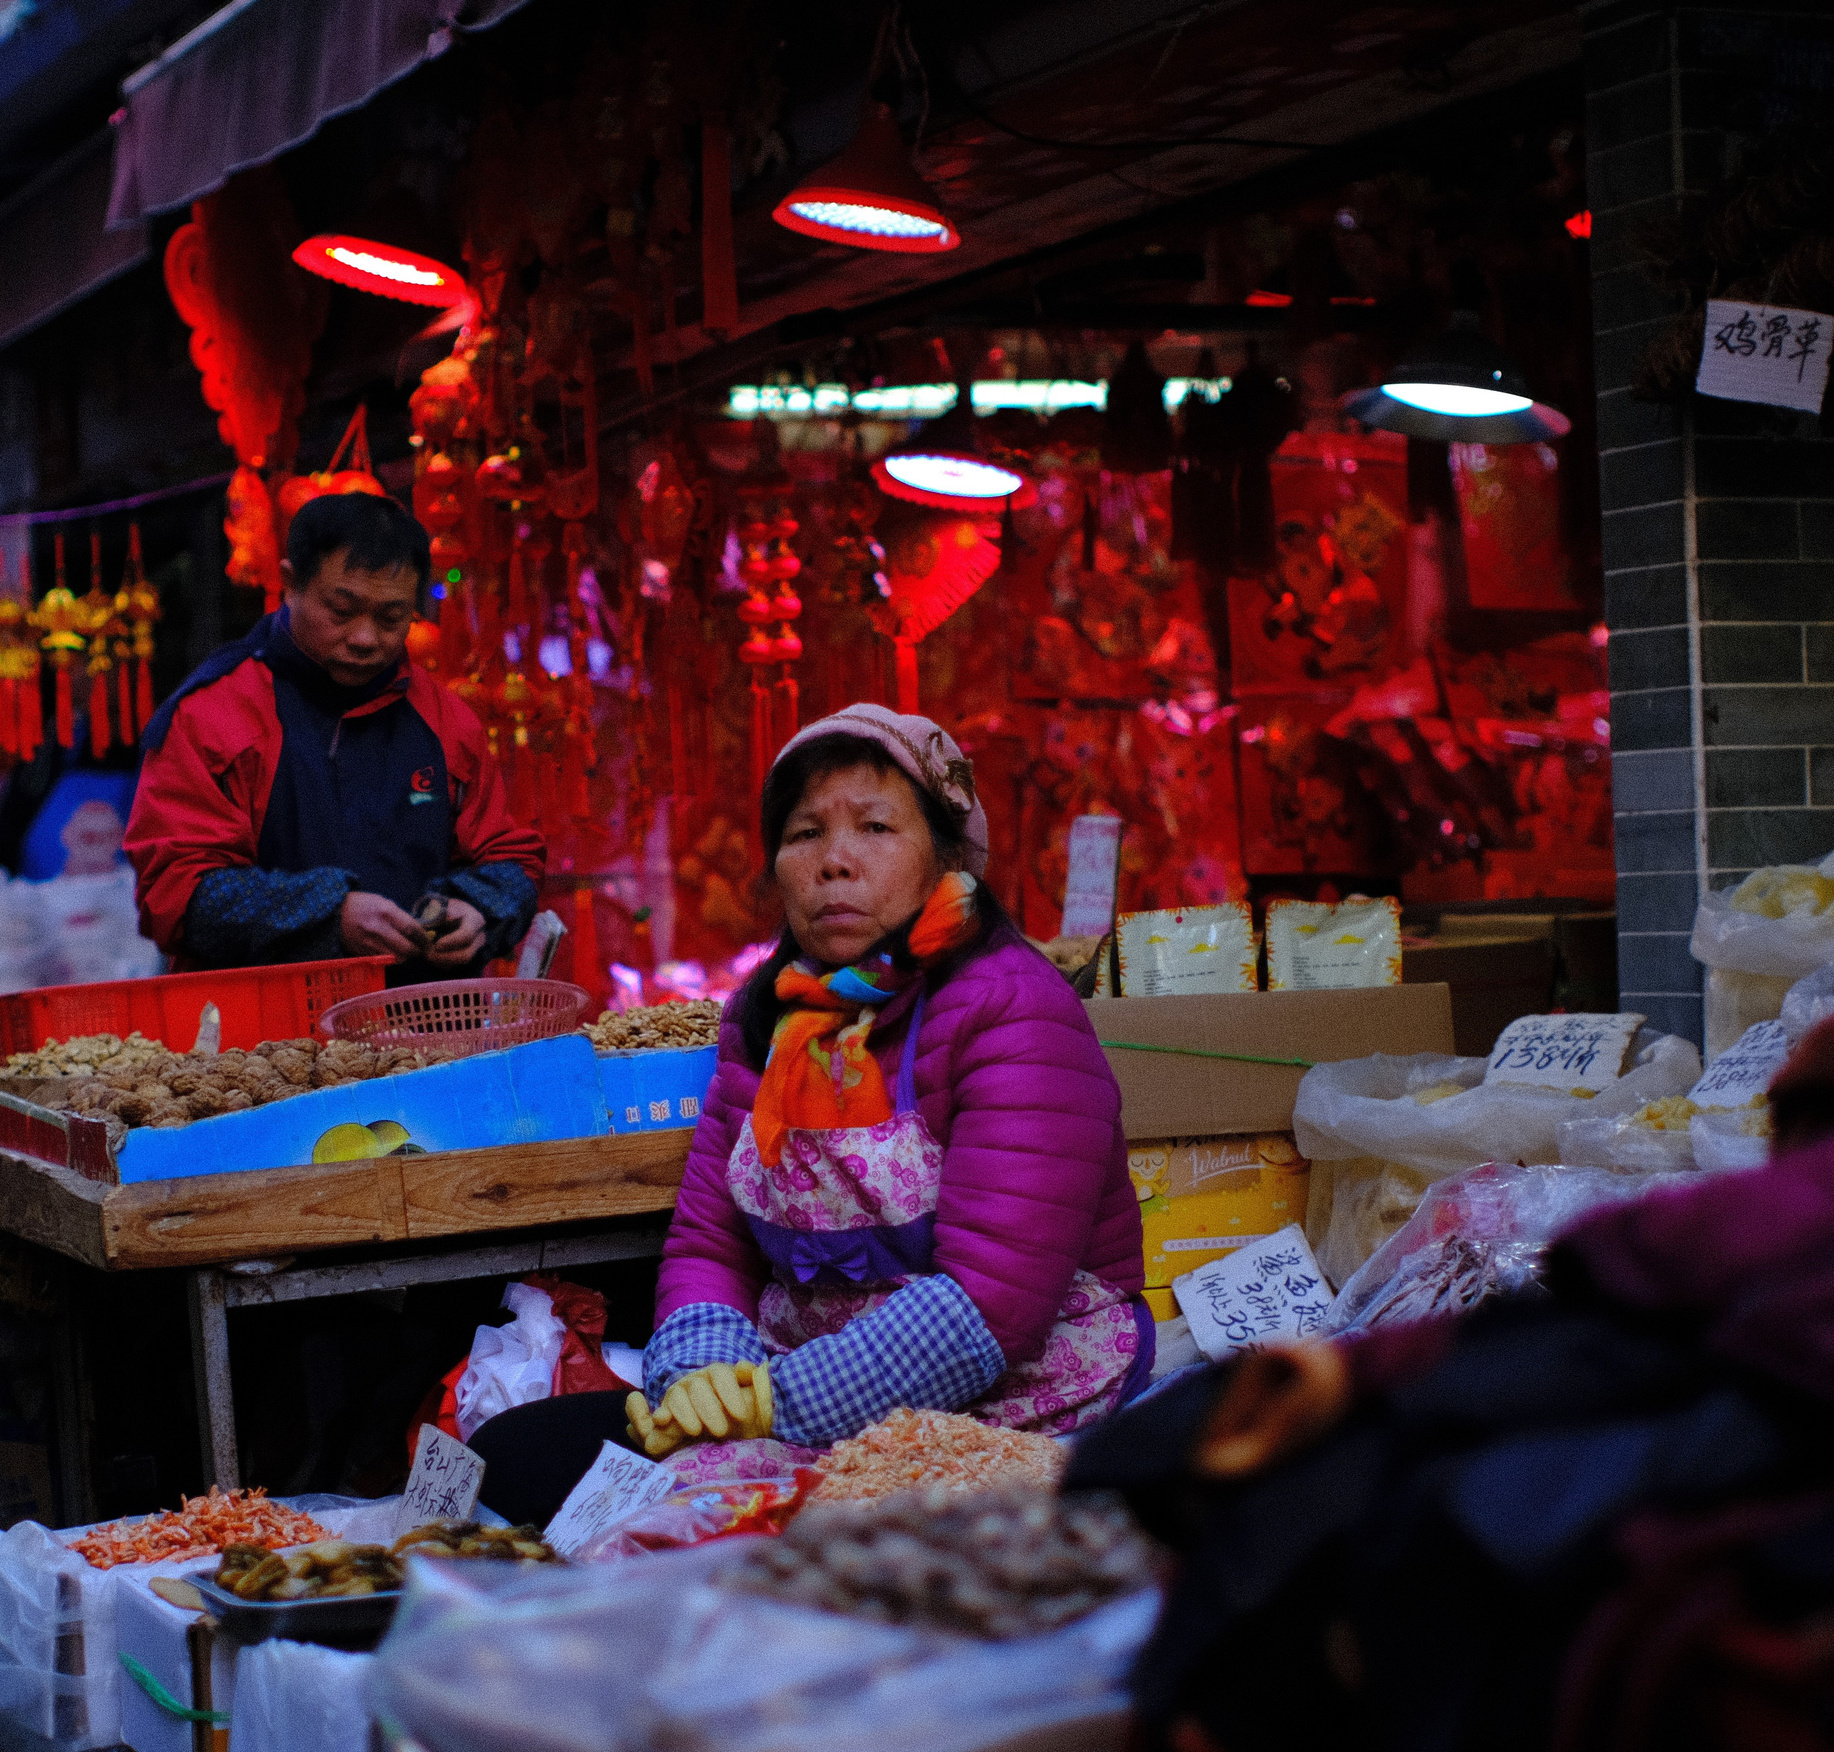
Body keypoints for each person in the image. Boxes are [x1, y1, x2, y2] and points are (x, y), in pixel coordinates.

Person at [466, 706, 1147, 1521]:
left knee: (710, 1531)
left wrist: (768, 1403)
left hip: (1003, 1392)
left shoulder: (1012, 1008)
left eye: (876, 827)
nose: (835, 862)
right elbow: (711, 1241)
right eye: (804, 834)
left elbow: (990, 1297)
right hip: (795, 1384)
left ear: (947, 854)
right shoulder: (766, 1017)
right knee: (506, 1458)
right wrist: (704, 1379)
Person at [125, 493, 542, 977]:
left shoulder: (447, 721)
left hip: (424, 1030)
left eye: (391, 618)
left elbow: (511, 856)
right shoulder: (213, 715)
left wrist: (481, 910)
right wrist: (329, 915)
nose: (365, 639)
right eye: (341, 611)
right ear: (289, 584)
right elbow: (176, 893)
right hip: (260, 1039)